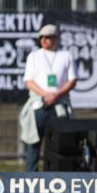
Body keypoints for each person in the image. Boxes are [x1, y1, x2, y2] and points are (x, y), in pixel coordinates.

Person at [19, 24, 77, 172]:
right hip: (39, 104)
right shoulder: (34, 56)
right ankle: (31, 176)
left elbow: (72, 80)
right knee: (34, 142)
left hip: (59, 104)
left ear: (56, 38)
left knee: (60, 142)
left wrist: (56, 95)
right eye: (42, 37)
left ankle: (58, 174)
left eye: (48, 37)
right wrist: (46, 95)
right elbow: (29, 81)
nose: (44, 40)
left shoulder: (66, 55)